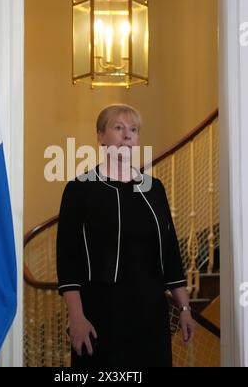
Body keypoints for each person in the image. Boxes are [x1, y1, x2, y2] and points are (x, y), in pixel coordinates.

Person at [56, 104, 195, 368]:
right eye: (118, 128)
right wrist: (76, 317)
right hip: (100, 313)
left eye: (133, 130)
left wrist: (185, 310)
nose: (127, 136)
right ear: (100, 136)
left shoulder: (155, 189)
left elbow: (170, 253)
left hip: (150, 313)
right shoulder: (79, 189)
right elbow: (67, 259)